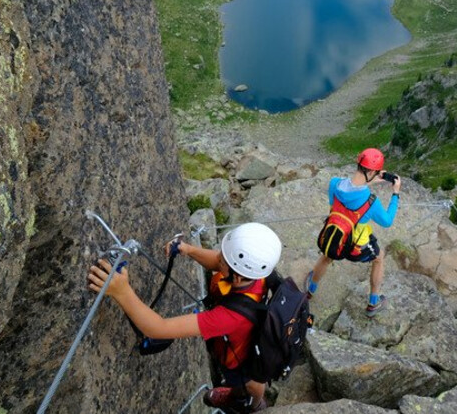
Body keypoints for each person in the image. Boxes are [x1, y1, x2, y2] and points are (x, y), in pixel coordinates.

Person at [87, 222, 282, 413]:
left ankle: (253, 405)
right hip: (252, 338)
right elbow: (217, 261)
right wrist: (188, 250)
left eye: (223, 259)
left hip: (240, 359)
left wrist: (121, 291)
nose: (218, 257)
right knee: (252, 378)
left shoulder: (228, 317)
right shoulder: (256, 274)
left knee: (249, 380)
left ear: (237, 277)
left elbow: (158, 329)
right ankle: (248, 398)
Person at [305, 147, 401, 317]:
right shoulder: (371, 202)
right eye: (376, 171)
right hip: (356, 247)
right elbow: (387, 221)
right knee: (379, 258)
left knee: (327, 256)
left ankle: (310, 290)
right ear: (372, 171)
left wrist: (370, 181)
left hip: (335, 237)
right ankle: (373, 302)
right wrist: (395, 194)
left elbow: (339, 200)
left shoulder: (334, 183)